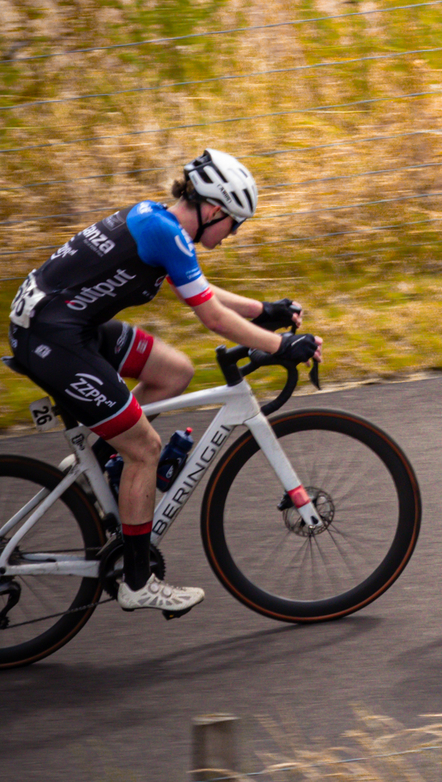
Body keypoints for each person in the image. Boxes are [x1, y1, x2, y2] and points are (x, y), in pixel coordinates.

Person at [6, 148, 319, 620]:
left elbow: (197, 289)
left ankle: (99, 458)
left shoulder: (157, 220)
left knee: (173, 372)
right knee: (146, 448)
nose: (231, 235)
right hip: (53, 339)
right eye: (233, 224)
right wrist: (281, 347)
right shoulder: (165, 233)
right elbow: (211, 316)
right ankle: (138, 581)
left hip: (65, 326)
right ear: (213, 209)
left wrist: (264, 311)